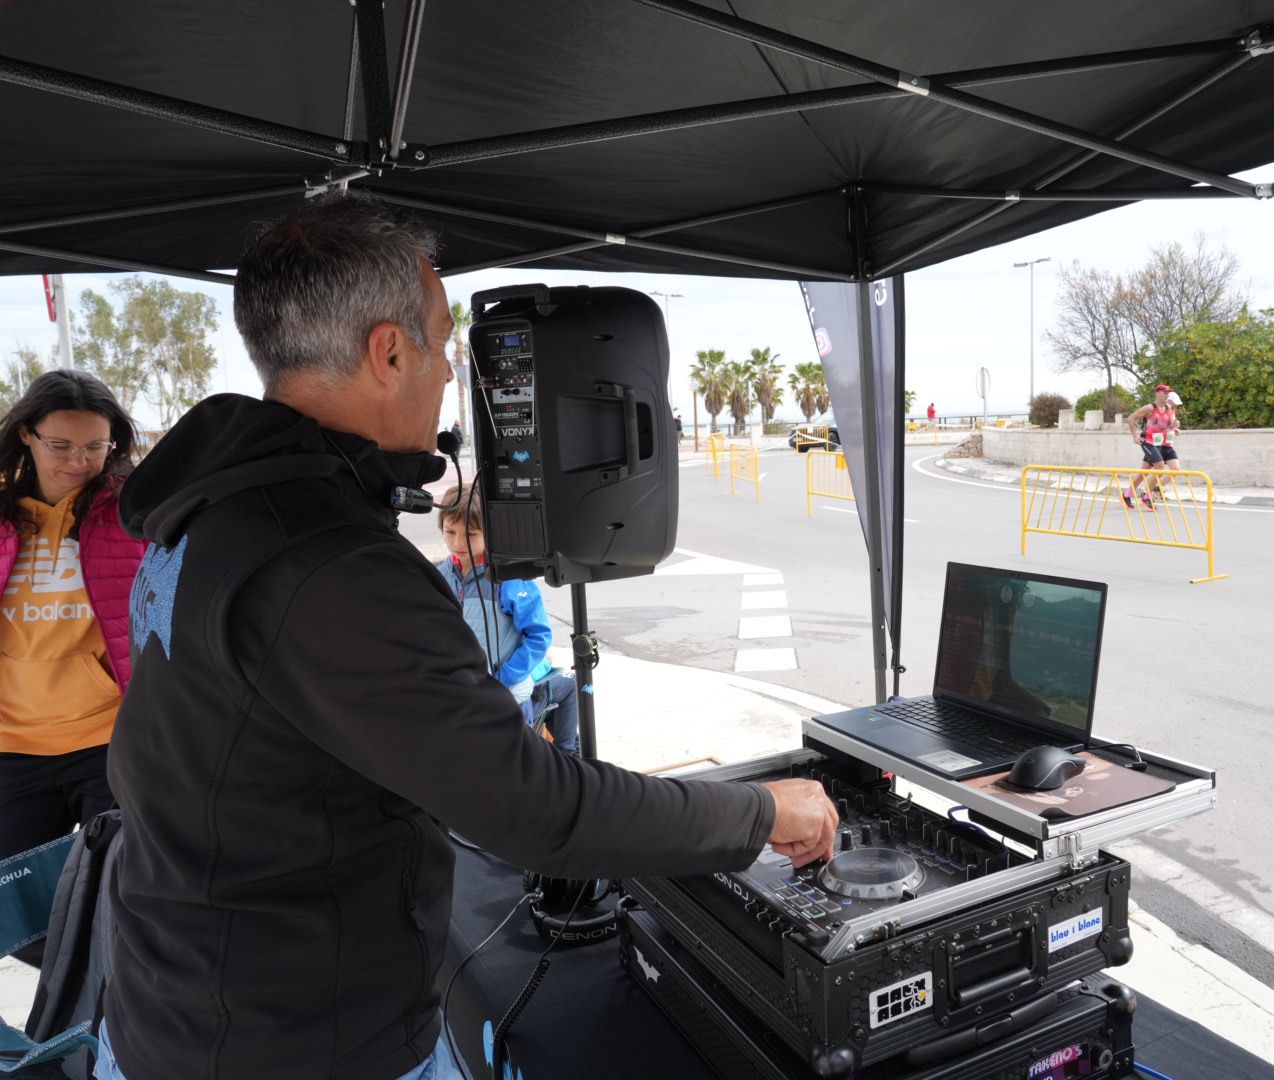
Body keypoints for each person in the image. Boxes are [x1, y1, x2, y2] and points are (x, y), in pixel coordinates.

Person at [102, 194, 837, 1080]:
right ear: (388, 350)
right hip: (292, 1040)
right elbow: (535, 809)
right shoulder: (331, 568)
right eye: (444, 342)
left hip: (175, 1002)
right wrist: (760, 812)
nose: (452, 373)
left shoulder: (206, 511)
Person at [0, 371, 144, 893]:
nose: (77, 461)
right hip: (12, 747)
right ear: (26, 434)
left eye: (94, 446)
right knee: (20, 911)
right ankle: (81, 975)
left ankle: (111, 978)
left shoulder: (134, 509)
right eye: (59, 445)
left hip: (108, 739)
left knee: (131, 896)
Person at [436, 485, 580, 756]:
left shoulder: (509, 579)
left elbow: (539, 637)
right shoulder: (438, 576)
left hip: (506, 698)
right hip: (459, 699)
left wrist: (502, 679)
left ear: (489, 533)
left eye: (470, 534)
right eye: (450, 532)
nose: (458, 542)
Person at [1121, 384, 1181, 511]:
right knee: (1160, 466)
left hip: (1161, 444)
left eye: (1168, 393)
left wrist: (1174, 427)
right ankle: (1147, 497)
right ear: (1157, 393)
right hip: (1148, 442)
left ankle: (1127, 495)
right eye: (1164, 393)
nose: (1167, 395)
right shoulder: (1149, 408)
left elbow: (1168, 426)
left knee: (1145, 471)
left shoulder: (1169, 407)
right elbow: (1131, 418)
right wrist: (1135, 436)